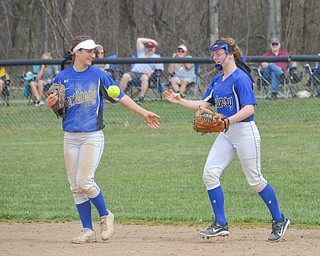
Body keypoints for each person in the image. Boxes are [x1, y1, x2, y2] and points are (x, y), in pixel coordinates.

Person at [164, 37, 290, 242]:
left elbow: (249, 108)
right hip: (227, 133)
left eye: (218, 53)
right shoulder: (217, 81)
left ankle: (279, 220)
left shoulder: (240, 78)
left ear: (230, 54)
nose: (214, 57)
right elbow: (203, 105)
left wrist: (226, 121)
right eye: (212, 54)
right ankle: (220, 223)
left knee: (255, 180)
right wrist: (180, 101)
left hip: (244, 131)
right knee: (210, 174)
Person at [46, 35, 161, 244]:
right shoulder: (61, 77)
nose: (93, 54)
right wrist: (50, 103)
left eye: (94, 51)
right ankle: (87, 230)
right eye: (88, 51)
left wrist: (144, 113)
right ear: (76, 52)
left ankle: (106, 215)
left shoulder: (99, 75)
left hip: (92, 136)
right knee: (75, 186)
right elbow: (59, 109)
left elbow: (121, 97)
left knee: (85, 181)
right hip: (70, 137)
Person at [120, 37, 164, 104]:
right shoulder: (141, 53)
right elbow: (139, 40)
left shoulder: (157, 57)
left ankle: (141, 98)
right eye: (148, 47)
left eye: (152, 47)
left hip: (146, 75)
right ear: (146, 48)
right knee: (125, 76)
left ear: (155, 48)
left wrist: (152, 72)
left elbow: (159, 70)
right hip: (134, 73)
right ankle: (119, 97)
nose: (150, 49)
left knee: (144, 78)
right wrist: (152, 40)